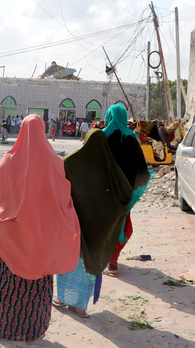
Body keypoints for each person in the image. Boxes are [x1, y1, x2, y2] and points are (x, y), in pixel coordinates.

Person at [0, 114, 81, 342]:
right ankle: (33, 331)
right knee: (37, 287)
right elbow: (63, 197)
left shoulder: (7, 161)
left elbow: (0, 195)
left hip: (11, 236)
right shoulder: (54, 162)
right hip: (41, 238)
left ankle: (4, 329)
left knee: (7, 284)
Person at [54, 125, 138, 318]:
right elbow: (125, 195)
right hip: (95, 233)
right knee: (86, 268)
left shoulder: (70, 163)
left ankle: (61, 297)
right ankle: (79, 306)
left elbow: (57, 190)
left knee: (68, 262)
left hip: (72, 228)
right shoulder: (110, 169)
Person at [101, 105, 150, 277]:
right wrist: (132, 191)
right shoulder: (131, 138)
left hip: (103, 195)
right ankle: (112, 263)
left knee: (103, 227)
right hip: (124, 195)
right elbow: (142, 171)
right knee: (121, 227)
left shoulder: (100, 136)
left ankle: (106, 262)